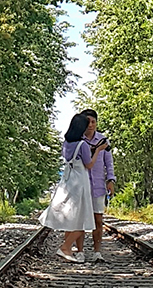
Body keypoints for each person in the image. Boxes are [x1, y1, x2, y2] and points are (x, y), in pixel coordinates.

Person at [39, 112, 107, 263]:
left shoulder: (66, 143)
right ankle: (65, 247)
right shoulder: (82, 145)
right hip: (81, 182)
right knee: (83, 219)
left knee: (72, 217)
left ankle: (68, 249)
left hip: (69, 181)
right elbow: (89, 164)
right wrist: (98, 150)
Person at [79, 108, 115, 261]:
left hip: (98, 186)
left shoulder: (103, 141)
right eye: (87, 122)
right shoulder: (77, 140)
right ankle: (80, 251)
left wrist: (110, 180)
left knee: (98, 220)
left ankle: (97, 252)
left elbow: (109, 163)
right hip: (81, 185)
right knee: (80, 221)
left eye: (93, 122)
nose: (90, 125)